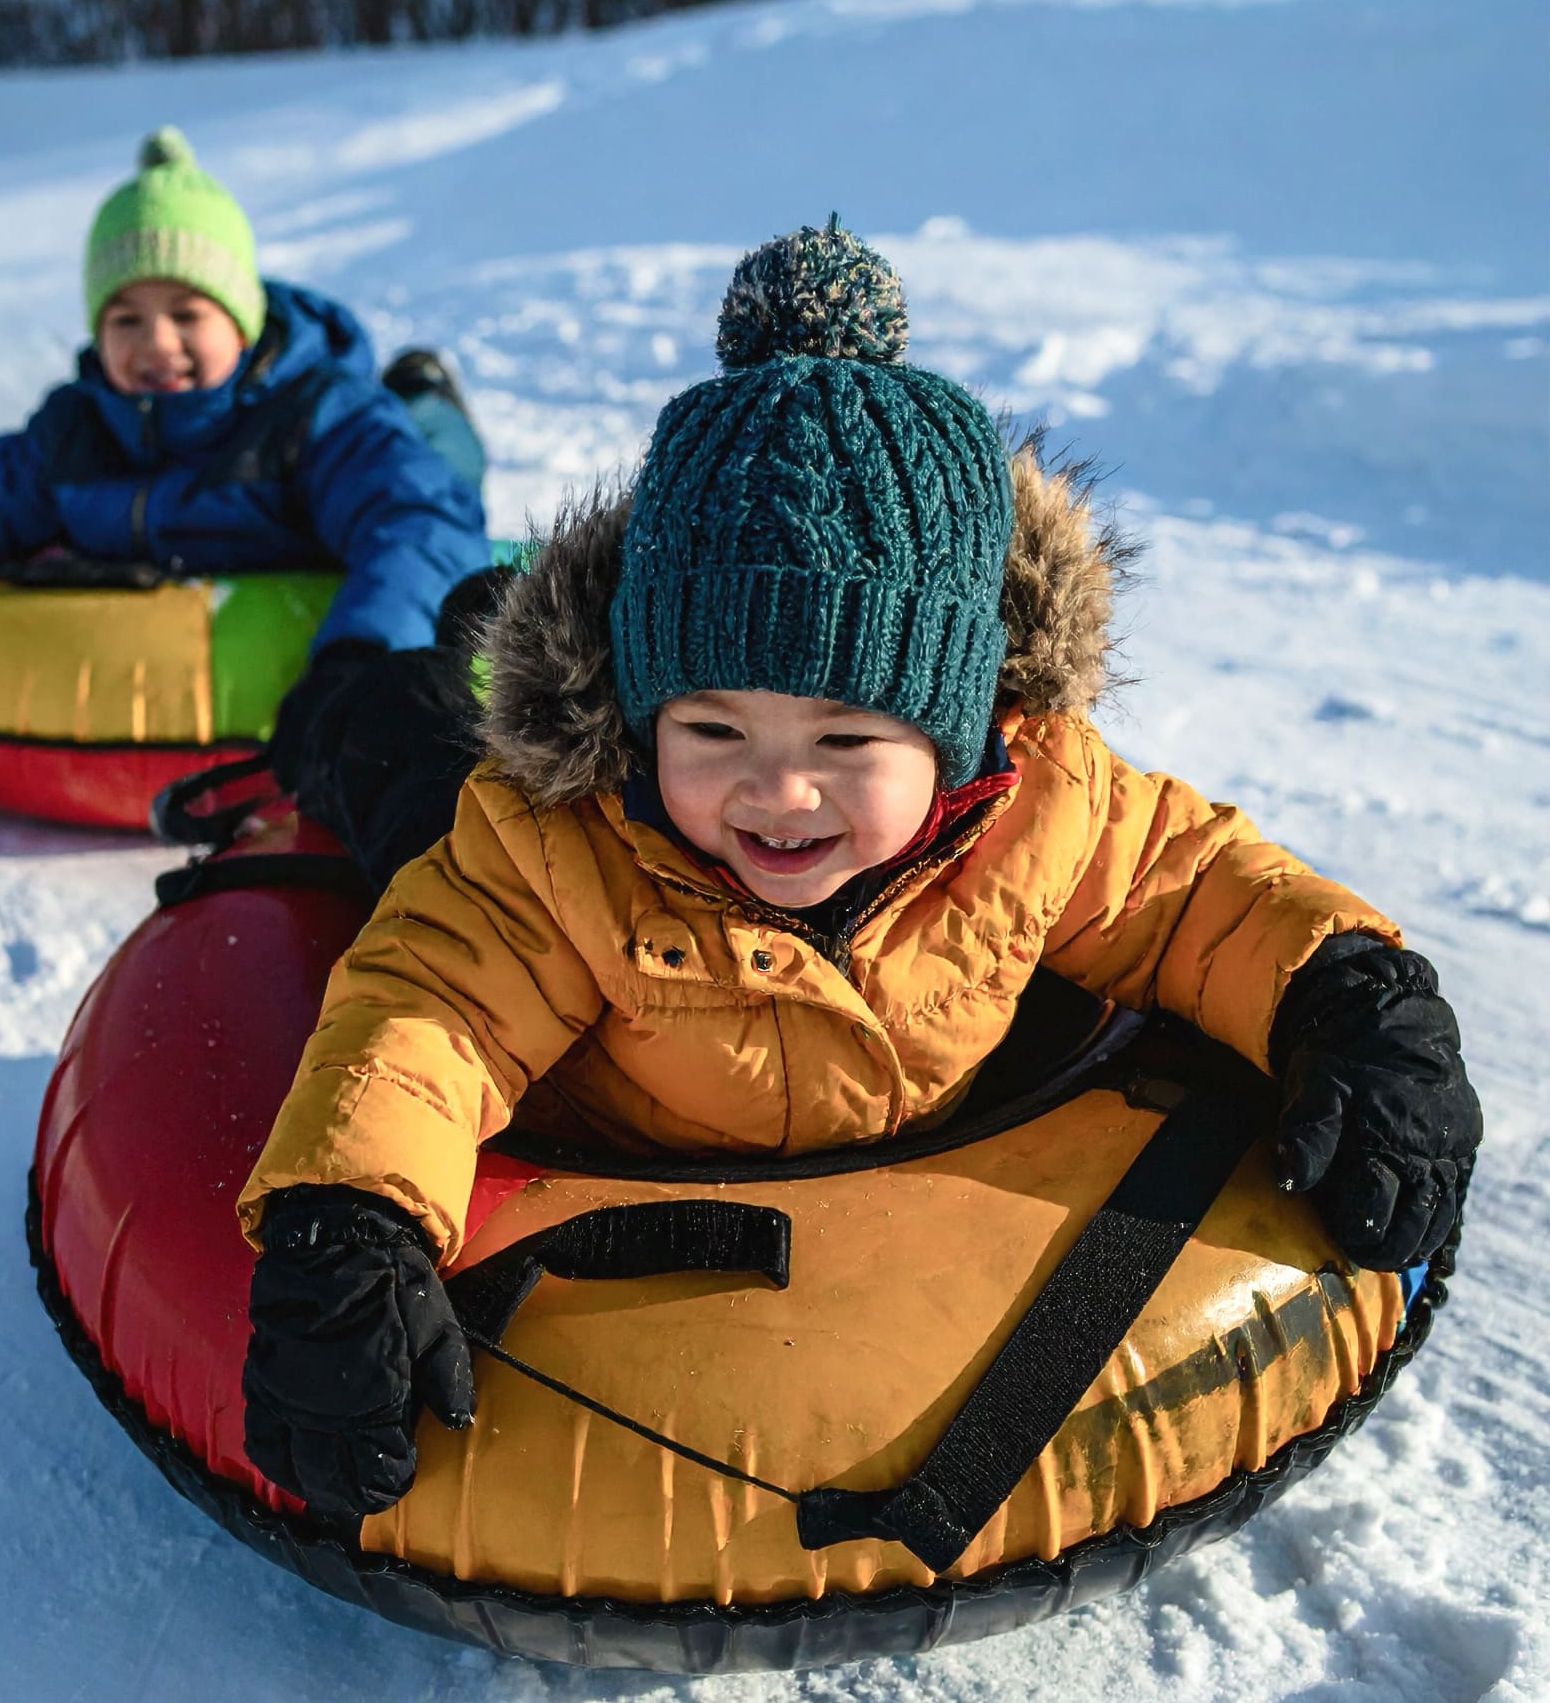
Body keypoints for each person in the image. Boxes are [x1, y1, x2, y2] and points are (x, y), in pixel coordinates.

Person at [233, 221, 1484, 1522]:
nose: (779, 791)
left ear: (951, 735)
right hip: (599, 1099)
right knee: (407, 766)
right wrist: (353, 1227)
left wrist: (1351, 996)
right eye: (712, 730)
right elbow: (427, 1012)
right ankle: (370, 701)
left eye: (847, 740)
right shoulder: (554, 845)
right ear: (644, 711)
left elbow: (1199, 892)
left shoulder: (1042, 802)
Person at [0, 125, 491, 783]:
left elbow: (418, 519)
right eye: (125, 318)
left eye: (186, 314)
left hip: (378, 446)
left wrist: (362, 661)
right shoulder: (82, 432)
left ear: (242, 321)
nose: (155, 344)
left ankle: (424, 384)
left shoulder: (314, 416)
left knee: (436, 456)